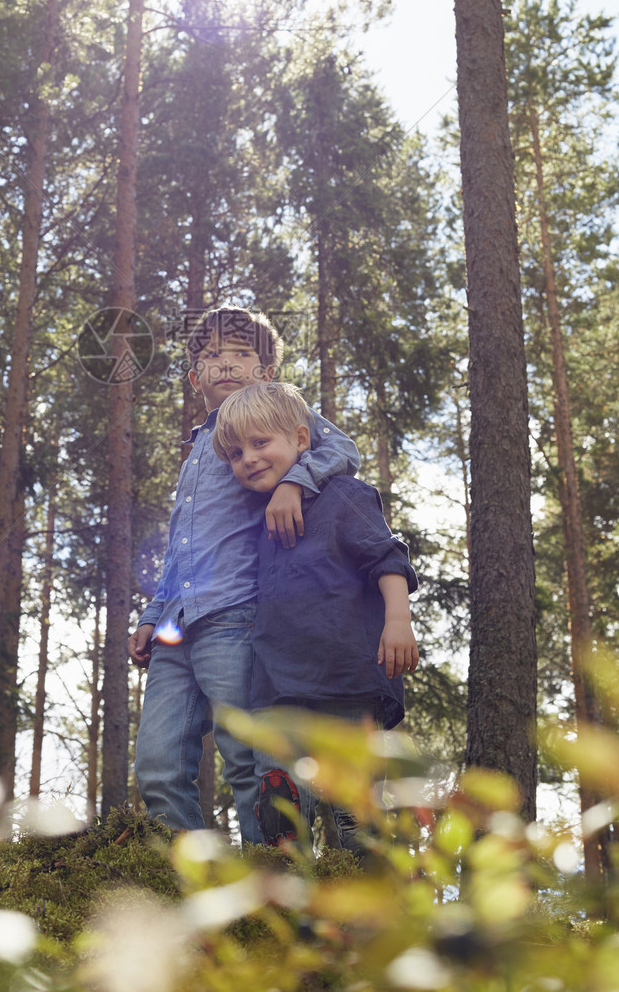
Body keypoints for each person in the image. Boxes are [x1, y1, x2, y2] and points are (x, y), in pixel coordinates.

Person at [129, 307, 359, 844]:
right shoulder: (200, 451)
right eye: (210, 356)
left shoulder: (272, 426)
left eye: (241, 353)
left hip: (235, 615)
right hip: (173, 629)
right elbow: (180, 550)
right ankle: (192, 882)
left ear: (267, 373)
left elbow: (342, 450)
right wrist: (151, 614)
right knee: (158, 766)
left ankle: (273, 885)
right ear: (195, 378)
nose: (225, 364)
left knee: (247, 758)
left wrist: (293, 484)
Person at [212, 379, 419, 850]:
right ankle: (288, 911)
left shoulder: (343, 494)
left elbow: (387, 558)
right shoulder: (256, 519)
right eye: (236, 453)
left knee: (355, 817)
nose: (248, 459)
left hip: (347, 680)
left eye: (260, 443)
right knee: (279, 811)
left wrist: (397, 621)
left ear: (302, 440)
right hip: (276, 690)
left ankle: (366, 915)